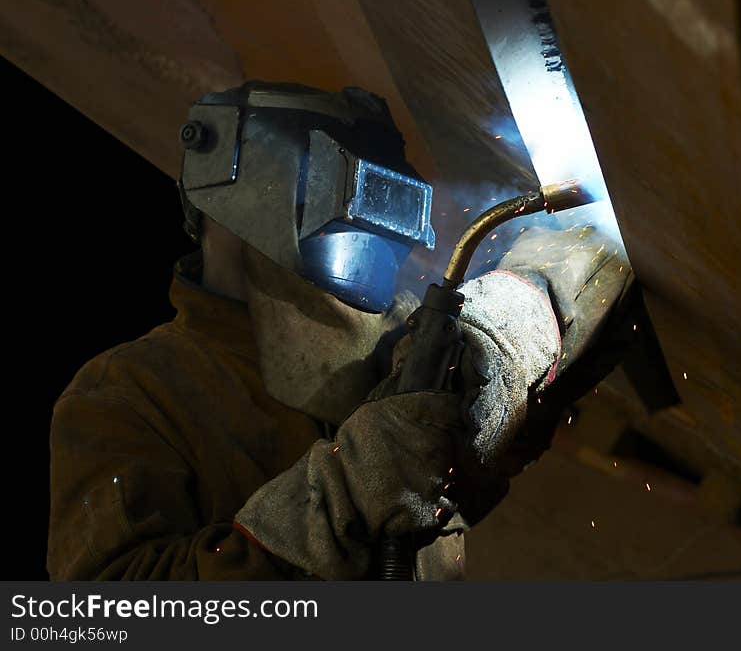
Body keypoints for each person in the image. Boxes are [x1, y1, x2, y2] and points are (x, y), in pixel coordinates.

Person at [47, 81, 633, 580]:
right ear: (242, 189)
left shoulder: (397, 345)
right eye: (360, 193)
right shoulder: (130, 393)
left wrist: (527, 321)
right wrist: (354, 488)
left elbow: (472, 467)